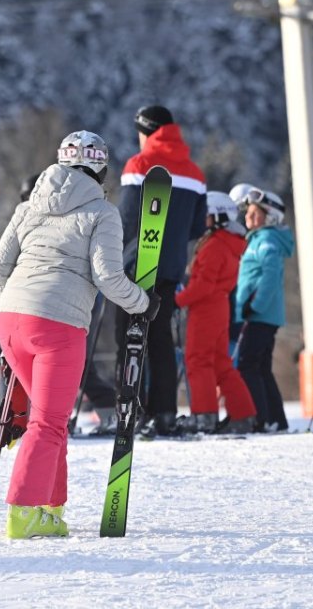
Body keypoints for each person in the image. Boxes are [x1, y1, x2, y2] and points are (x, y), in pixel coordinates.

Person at [0, 131, 156, 539]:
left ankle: (50, 506)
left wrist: (16, 301)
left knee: (52, 421)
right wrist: (144, 304)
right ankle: (24, 513)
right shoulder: (102, 212)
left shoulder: (27, 207)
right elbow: (108, 277)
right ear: (101, 168)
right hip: (57, 327)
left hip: (10, 321)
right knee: (47, 423)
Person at [112, 105, 207, 436]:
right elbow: (197, 226)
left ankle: (130, 411)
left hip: (134, 266)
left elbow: (125, 220)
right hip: (169, 269)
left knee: (129, 340)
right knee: (162, 341)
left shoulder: (139, 165)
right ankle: (164, 412)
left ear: (146, 131)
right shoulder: (194, 173)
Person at [171, 191, 257, 434]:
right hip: (217, 307)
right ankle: (242, 415)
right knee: (220, 364)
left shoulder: (216, 244)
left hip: (206, 308)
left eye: (205, 215)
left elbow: (203, 285)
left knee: (198, 361)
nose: (200, 220)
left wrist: (177, 300)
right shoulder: (223, 241)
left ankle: (204, 416)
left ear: (219, 216)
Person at [232, 185, 294, 432]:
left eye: (255, 214)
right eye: (248, 213)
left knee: (248, 365)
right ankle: (275, 419)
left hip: (259, 315)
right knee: (260, 367)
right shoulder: (259, 240)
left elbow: (270, 275)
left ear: (270, 218)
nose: (248, 218)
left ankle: (261, 418)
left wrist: (254, 305)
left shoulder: (266, 241)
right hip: (260, 314)